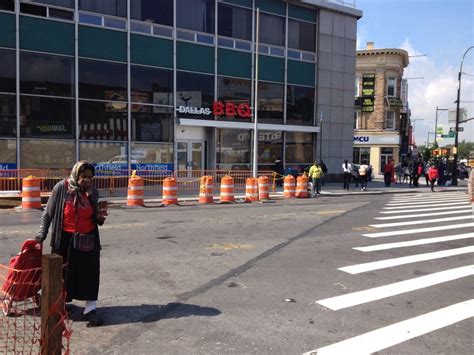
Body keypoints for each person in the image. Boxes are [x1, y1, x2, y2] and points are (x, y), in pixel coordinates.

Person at [36, 161, 106, 327]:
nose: (87, 180)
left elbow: (96, 218)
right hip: (64, 240)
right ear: (76, 175)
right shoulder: (61, 188)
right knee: (61, 275)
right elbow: (48, 215)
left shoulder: (92, 193)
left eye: (90, 177)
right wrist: (41, 236)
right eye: (84, 177)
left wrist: (99, 217)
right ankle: (58, 306)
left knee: (90, 273)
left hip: (87, 239)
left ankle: (90, 309)